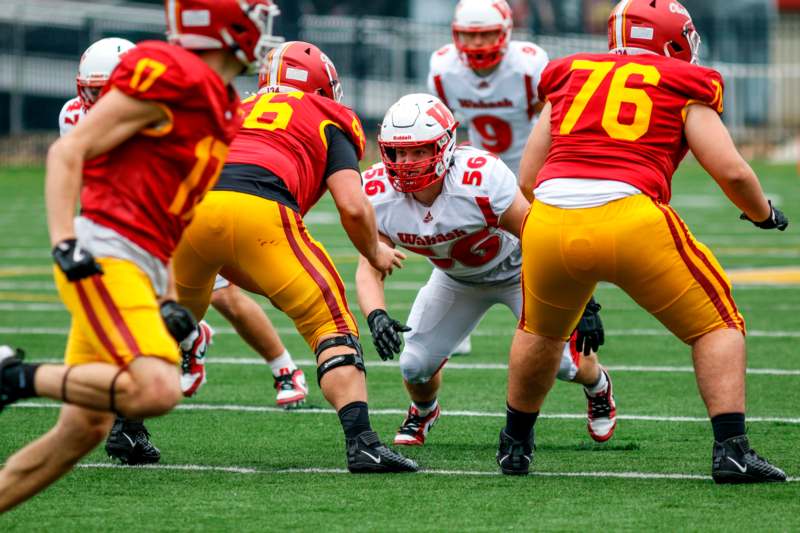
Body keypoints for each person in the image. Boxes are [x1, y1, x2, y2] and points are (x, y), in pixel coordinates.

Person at [0, 0, 284, 512]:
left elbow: (171, 213)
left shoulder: (221, 103)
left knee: (82, 429)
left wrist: (170, 294)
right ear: (224, 23)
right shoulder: (173, 72)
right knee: (156, 388)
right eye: (256, 16)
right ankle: (11, 377)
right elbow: (68, 151)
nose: (264, 29)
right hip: (107, 250)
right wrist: (65, 241)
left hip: (145, 261)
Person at [498, 0, 789, 483]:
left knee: (540, 332)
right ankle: (732, 451)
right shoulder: (684, 80)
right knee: (718, 325)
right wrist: (763, 213)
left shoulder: (569, 73)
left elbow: (527, 175)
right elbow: (732, 170)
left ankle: (515, 446)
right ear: (674, 38)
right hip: (630, 214)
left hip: (549, 216)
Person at [171, 41, 418, 473]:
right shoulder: (328, 115)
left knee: (171, 323)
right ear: (325, 87)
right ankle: (362, 443)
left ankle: (126, 426)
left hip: (190, 212)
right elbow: (354, 206)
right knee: (332, 322)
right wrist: (374, 250)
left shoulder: (238, 108)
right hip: (261, 206)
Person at [356, 93, 615, 447]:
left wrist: (584, 298)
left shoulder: (479, 179)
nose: (407, 163)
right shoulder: (377, 193)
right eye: (399, 152)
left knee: (563, 366)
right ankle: (424, 410)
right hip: (456, 279)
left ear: (445, 146)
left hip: (522, 272)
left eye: (419, 151)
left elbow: (539, 235)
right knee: (414, 364)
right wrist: (376, 315)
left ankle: (598, 383)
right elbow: (369, 265)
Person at [428, 0, 549, 355]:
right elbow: (441, 123)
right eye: (469, 35)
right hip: (483, 171)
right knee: (450, 234)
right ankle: (454, 323)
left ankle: (551, 312)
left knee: (540, 243)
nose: (478, 44)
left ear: (506, 32)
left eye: (486, 35)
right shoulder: (443, 67)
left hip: (529, 170)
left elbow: (550, 120)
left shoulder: (528, 64)